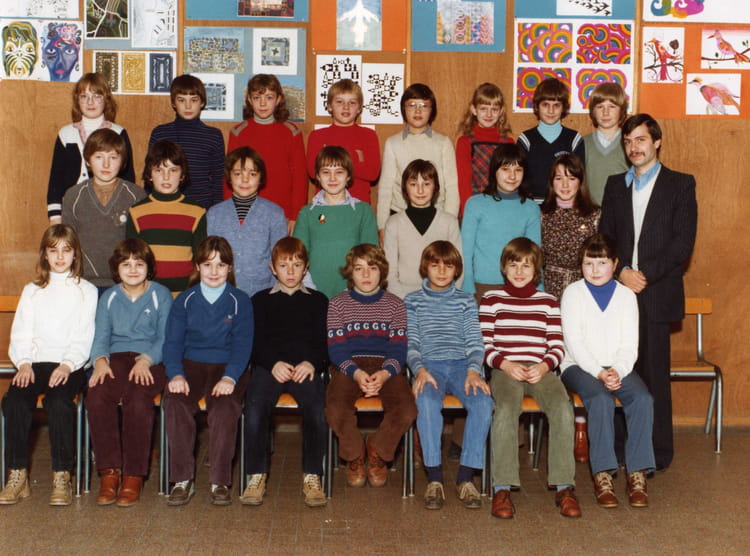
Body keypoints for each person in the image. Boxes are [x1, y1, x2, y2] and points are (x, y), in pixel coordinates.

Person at [599, 113, 697, 471]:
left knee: (654, 375)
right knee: (619, 372)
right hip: (619, 291)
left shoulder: (680, 184)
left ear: (656, 142)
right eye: (628, 142)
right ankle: (619, 451)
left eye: (640, 139)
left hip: (656, 292)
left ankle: (656, 453)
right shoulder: (615, 185)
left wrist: (644, 275)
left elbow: (683, 242)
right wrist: (622, 270)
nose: (634, 147)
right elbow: (606, 236)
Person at [480, 237, 579, 519]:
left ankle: (564, 486)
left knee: (563, 407)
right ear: (504, 268)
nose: (519, 271)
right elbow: (484, 344)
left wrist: (545, 366)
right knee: (505, 410)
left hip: (540, 369)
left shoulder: (548, 302)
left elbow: (557, 345)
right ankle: (502, 488)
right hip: (505, 369)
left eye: (526, 266)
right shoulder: (491, 299)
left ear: (536, 270)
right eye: (514, 265)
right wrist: (505, 363)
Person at [0, 225, 97, 506]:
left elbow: (84, 335)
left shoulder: (86, 290)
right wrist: (23, 363)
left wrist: (67, 365)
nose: (60, 257)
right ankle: (17, 475)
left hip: (69, 364)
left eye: (66, 250)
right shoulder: (32, 291)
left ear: (75, 254)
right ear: (44, 254)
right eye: (53, 251)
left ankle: (62, 474)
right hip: (34, 363)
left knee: (58, 402)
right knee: (14, 401)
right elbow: (21, 331)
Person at [560, 233, 654, 508]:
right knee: (600, 399)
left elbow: (630, 345)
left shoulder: (626, 296)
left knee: (642, 399)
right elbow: (574, 342)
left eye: (602, 263)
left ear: (614, 264)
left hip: (617, 367)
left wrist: (617, 370)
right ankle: (603, 474)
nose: (595, 270)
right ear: (581, 265)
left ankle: (636, 473)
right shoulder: (573, 293)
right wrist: (599, 373)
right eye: (588, 263)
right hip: (578, 366)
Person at [162, 236, 253, 506]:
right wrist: (176, 374)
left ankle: (219, 481)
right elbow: (172, 343)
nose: (214, 271)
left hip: (227, 366)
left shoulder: (240, 300)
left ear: (229, 268)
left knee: (225, 408)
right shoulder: (184, 300)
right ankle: (182, 480)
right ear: (197, 267)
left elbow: (242, 345)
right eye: (208, 264)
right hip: (191, 363)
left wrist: (230, 377)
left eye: (221, 265)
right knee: (175, 402)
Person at [241, 238, 329, 508]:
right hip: (270, 368)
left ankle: (312, 475)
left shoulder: (318, 301)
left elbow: (325, 342)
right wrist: (272, 363)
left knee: (317, 408)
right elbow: (253, 342)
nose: (290, 272)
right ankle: (256, 475)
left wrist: (312, 363)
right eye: (283, 265)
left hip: (305, 368)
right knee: (254, 407)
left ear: (306, 268)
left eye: (297, 265)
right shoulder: (259, 301)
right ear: (272, 268)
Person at [405, 241, 492, 510]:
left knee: (483, 403)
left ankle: (465, 478)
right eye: (435, 265)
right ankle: (434, 478)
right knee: (426, 401)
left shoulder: (466, 301)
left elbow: (475, 343)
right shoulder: (412, 301)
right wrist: (419, 370)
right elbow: (411, 343)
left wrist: (474, 371)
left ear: (457, 270)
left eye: (448, 265)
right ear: (425, 268)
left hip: (462, 366)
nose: (442, 271)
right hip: (429, 366)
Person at [86, 239, 173, 506]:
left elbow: (166, 337)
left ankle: (133, 475)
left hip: (152, 359)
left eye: (139, 264)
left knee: (137, 399)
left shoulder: (160, 294)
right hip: (116, 357)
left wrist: (147, 359)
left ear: (149, 267)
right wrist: (100, 361)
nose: (133, 269)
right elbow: (101, 336)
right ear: (117, 268)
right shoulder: (109, 297)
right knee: (97, 395)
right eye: (126, 264)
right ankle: (110, 472)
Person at [325, 244, 416, 488]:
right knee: (335, 407)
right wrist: (356, 373)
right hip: (349, 367)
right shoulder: (337, 304)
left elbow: (399, 347)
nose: (366, 275)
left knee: (407, 408)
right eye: (359, 269)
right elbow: (336, 349)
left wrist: (385, 373)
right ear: (350, 272)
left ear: (382, 271)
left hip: (387, 367)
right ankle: (355, 454)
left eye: (372, 268)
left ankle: (378, 449)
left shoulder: (396, 304)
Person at [62, 128, 146, 291]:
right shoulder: (73, 196)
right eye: (99, 157)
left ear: (122, 162)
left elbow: (143, 245)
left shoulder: (136, 196)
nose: (106, 164)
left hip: (125, 284)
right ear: (88, 160)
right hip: (83, 283)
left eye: (113, 157)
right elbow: (67, 243)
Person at [47, 72, 135, 223]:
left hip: (110, 208)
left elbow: (128, 177)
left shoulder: (118, 133)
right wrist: (55, 217)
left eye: (97, 96)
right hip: (72, 209)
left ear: (106, 100)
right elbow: (56, 179)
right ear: (77, 100)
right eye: (84, 96)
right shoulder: (66, 134)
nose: (90, 102)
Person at [293, 146, 378, 299]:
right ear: (318, 176)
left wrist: (353, 289)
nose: (332, 178)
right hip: (312, 291)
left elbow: (370, 257)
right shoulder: (307, 213)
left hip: (354, 291)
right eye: (326, 172)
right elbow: (298, 257)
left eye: (339, 172)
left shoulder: (363, 211)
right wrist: (311, 291)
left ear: (348, 176)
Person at [227, 74, 307, 234]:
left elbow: (300, 178)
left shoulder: (292, 132)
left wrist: (295, 215)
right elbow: (229, 177)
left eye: (269, 97)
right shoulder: (238, 132)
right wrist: (231, 212)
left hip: (282, 213)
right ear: (249, 100)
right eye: (257, 98)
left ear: (278, 99)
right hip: (246, 212)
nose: (262, 103)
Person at [377, 83, 459, 239]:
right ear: (403, 109)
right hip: (400, 216)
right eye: (412, 105)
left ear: (432, 110)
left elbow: (452, 187)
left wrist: (450, 222)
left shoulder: (443, 143)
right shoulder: (393, 143)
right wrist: (382, 225)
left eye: (424, 105)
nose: (418, 111)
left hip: (436, 217)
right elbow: (385, 188)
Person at [127, 140, 207, 293]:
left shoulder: (197, 212)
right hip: (149, 294)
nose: (166, 177)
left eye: (173, 170)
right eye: (159, 170)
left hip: (185, 293)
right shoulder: (136, 212)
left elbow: (200, 259)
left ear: (182, 175)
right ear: (149, 175)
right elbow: (134, 260)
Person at [461, 143, 541, 297]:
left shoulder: (531, 208)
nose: (512, 176)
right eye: (505, 169)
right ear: (494, 171)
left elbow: (535, 253)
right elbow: (466, 251)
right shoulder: (475, 204)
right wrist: (467, 285)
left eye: (518, 170)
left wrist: (539, 288)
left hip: (520, 285)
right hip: (481, 285)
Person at [207, 146, 287, 298]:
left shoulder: (274, 213)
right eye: (238, 174)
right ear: (229, 177)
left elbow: (280, 258)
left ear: (261, 178)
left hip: (263, 293)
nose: (245, 180)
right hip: (223, 292)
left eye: (252, 174)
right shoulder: (214, 214)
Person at [383, 159, 462, 298]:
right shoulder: (393, 223)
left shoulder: (449, 222)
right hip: (404, 297)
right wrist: (405, 301)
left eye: (426, 184)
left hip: (442, 297)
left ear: (435, 187)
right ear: (405, 188)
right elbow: (390, 272)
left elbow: (459, 267)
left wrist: (446, 298)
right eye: (413, 184)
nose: (420, 190)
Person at [149, 74, 225, 209]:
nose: (188, 106)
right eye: (181, 100)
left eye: (193, 100)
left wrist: (216, 211)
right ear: (173, 103)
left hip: (202, 207)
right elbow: (151, 175)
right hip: (166, 205)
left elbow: (218, 180)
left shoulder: (213, 136)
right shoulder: (160, 133)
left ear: (202, 102)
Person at [306, 79, 381, 203]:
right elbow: (313, 172)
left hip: (358, 205)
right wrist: (355, 157)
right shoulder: (317, 136)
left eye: (352, 102)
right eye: (339, 102)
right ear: (329, 106)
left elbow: (372, 173)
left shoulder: (369, 135)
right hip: (325, 205)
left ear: (359, 108)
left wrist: (330, 162)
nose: (346, 107)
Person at [540, 153, 600, 298]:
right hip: (547, 289)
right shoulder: (541, 214)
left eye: (571, 178)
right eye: (559, 178)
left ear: (580, 182)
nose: (565, 185)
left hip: (584, 290)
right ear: (552, 182)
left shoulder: (595, 215)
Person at [517, 77, 585, 201]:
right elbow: (520, 179)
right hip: (532, 205)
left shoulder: (574, 139)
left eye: (556, 105)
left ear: (564, 108)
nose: (551, 110)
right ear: (537, 106)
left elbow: (579, 179)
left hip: (564, 204)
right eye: (545, 105)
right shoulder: (526, 139)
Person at [455, 82, 514, 215]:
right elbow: (464, 183)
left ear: (501, 111)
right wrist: (468, 213)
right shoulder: (465, 142)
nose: (489, 114)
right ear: (474, 109)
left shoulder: (508, 143)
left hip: (502, 207)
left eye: (494, 109)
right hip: (475, 207)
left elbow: (512, 181)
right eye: (483, 109)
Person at [583, 82, 629, 205]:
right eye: (600, 107)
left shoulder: (630, 144)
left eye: (612, 107)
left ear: (622, 110)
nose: (606, 112)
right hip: (591, 211)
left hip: (622, 211)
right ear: (592, 111)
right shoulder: (583, 144)